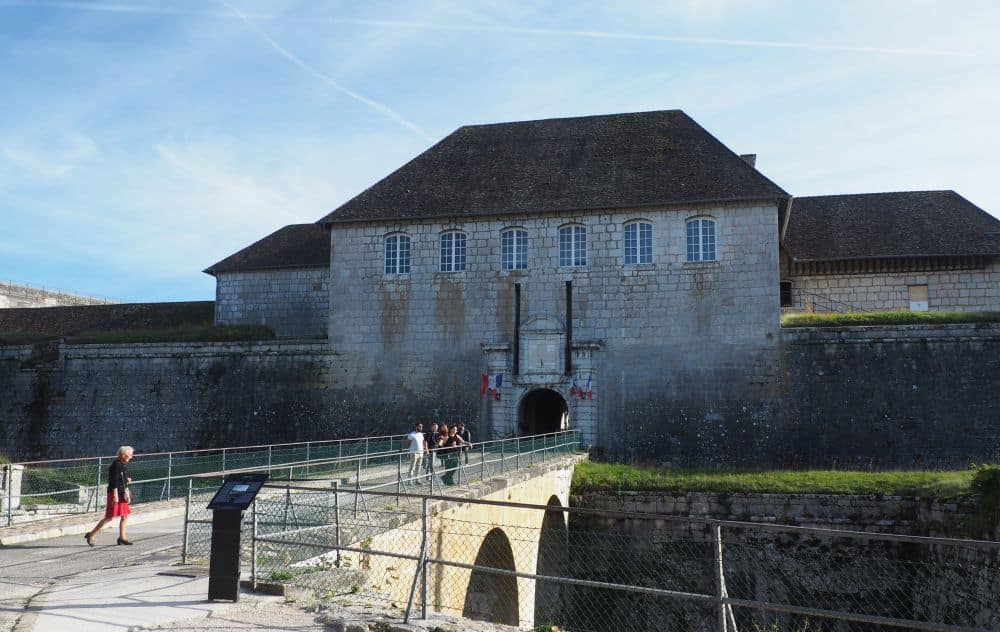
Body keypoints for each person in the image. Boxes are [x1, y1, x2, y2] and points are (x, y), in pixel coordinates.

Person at [85, 445, 134, 546]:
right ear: (123, 455)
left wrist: (126, 480)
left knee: (124, 516)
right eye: (129, 455)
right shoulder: (116, 465)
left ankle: (122, 538)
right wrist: (115, 496)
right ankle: (91, 534)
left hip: (121, 493)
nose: (131, 457)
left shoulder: (122, 465)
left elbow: (120, 479)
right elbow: (113, 482)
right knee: (109, 517)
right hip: (115, 494)